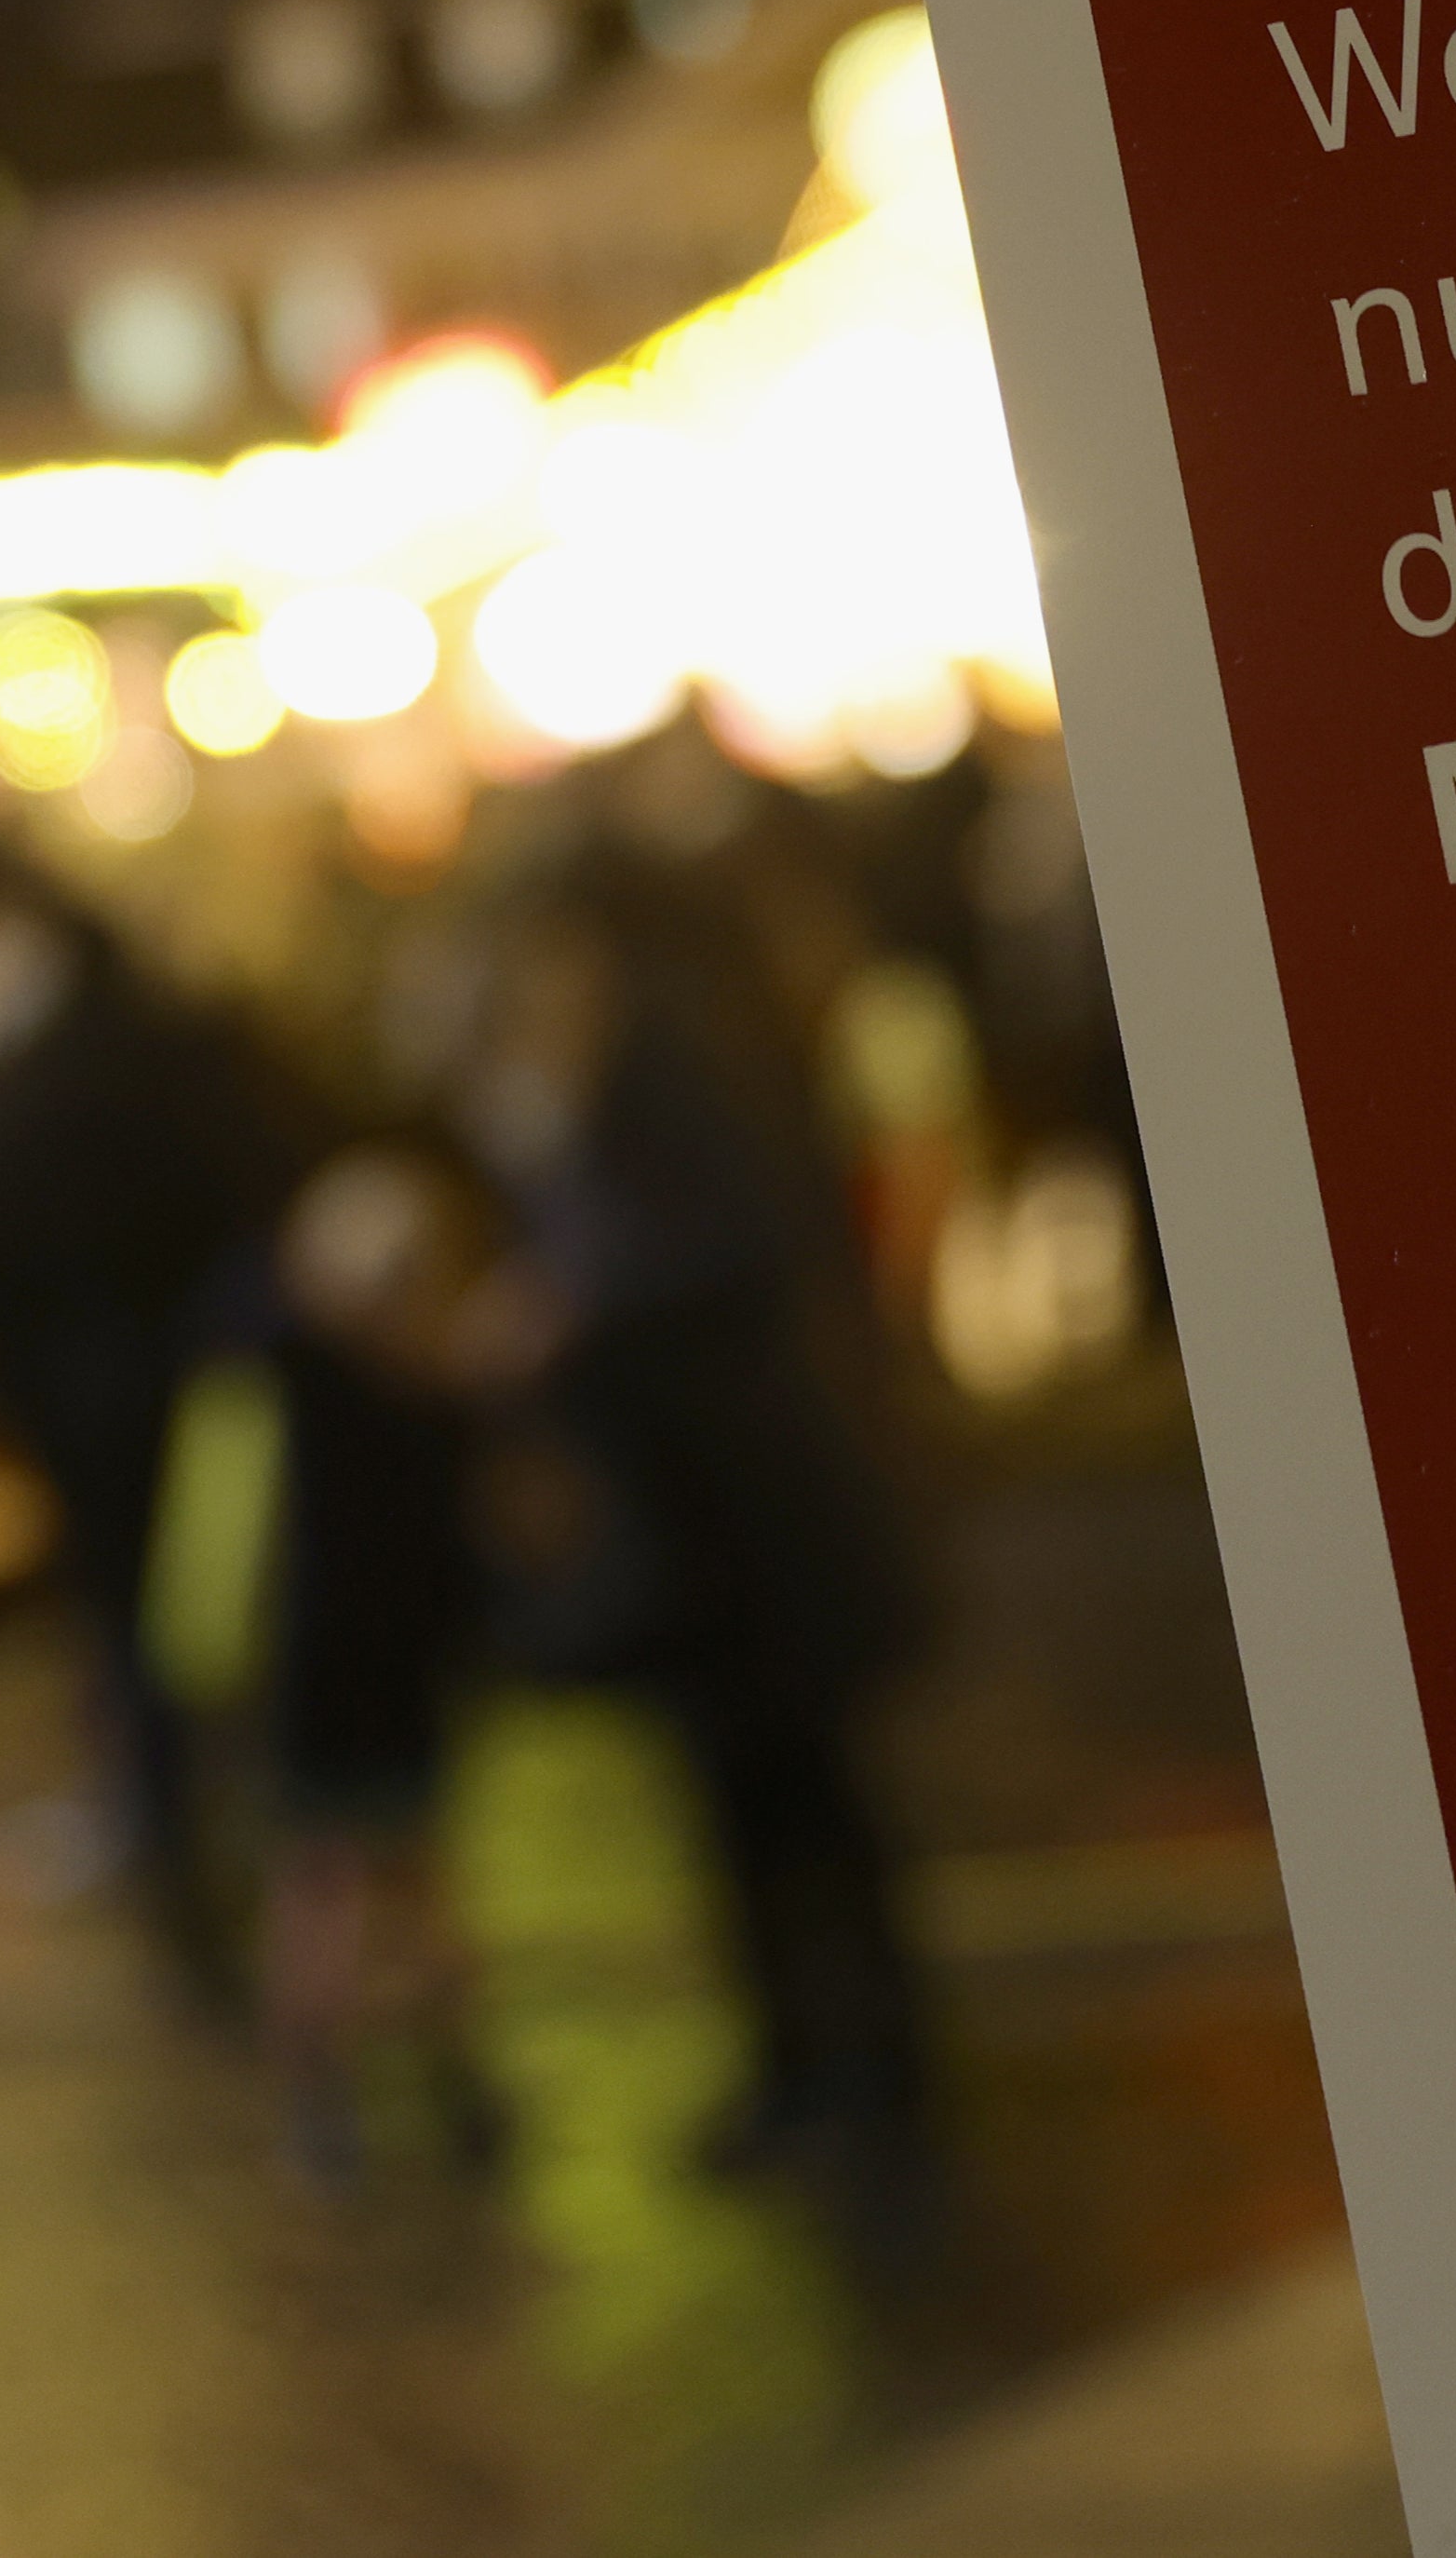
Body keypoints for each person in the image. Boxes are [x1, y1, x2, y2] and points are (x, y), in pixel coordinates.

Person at [462, 903, 937, 2175]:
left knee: (804, 1806)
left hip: (750, 1526)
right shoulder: (600, 1088)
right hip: (699, 1537)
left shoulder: (663, 1084)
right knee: (749, 1810)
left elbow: (722, 1257)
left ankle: (868, 2076)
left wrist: (569, 1313)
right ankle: (805, 2068)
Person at [0, 861, 282, 1960]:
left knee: (169, 1622)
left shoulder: (81, 1068)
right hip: (136, 1390)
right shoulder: (95, 1055)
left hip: (130, 1394)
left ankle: (188, 1833)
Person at [250, 1145, 506, 2186]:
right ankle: (383, 2079)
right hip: (364, 1680)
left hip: (338, 1679)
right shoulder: (394, 1402)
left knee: (357, 1881)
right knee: (363, 1884)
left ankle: (380, 2080)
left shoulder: (295, 1386)